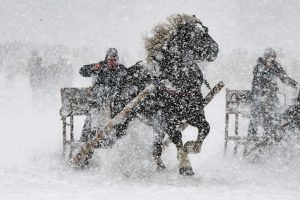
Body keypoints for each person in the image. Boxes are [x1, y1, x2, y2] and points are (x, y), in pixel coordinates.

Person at [247, 47, 299, 143]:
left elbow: (284, 78)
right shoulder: (259, 67)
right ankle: (251, 139)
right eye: (270, 57)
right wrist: (263, 93)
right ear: (266, 57)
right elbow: (256, 83)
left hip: (271, 96)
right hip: (259, 96)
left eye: (274, 57)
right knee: (255, 114)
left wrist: (296, 85)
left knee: (275, 114)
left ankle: (271, 136)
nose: (272, 60)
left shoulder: (276, 66)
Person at [79, 48, 127, 143]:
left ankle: (118, 139)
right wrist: (92, 68)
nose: (113, 62)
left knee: (121, 118)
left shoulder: (121, 70)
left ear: (117, 59)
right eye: (110, 60)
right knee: (91, 118)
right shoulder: (100, 67)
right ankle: (84, 140)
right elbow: (82, 71)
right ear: (106, 59)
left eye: (115, 60)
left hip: (115, 102)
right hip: (99, 101)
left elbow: (129, 79)